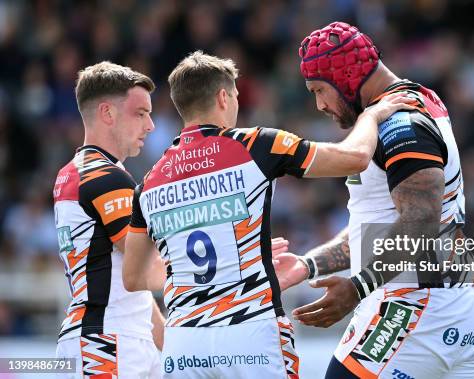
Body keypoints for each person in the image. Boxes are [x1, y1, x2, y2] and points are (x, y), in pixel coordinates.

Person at [122, 51, 411, 379]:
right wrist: (371, 117)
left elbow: (133, 278)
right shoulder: (256, 144)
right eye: (235, 96)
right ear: (222, 96)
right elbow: (356, 156)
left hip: (184, 341)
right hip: (250, 331)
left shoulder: (149, 183)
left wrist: (202, 270)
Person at [273, 22, 474, 378]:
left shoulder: (400, 124)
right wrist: (308, 265)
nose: (319, 105)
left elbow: (421, 221)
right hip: (451, 303)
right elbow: (379, 225)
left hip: (421, 307)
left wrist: (356, 288)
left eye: (319, 90)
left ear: (345, 75)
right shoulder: (412, 101)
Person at [53, 62, 165, 378]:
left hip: (110, 337)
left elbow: (131, 280)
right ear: (108, 113)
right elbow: (147, 270)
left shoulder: (76, 172)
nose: (151, 125)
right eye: (141, 113)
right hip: (107, 343)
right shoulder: (106, 177)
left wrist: (168, 343)